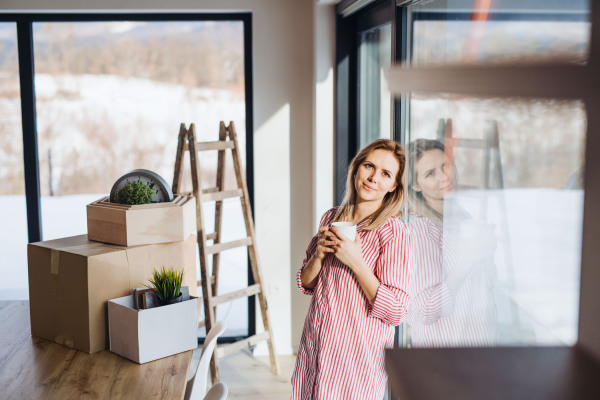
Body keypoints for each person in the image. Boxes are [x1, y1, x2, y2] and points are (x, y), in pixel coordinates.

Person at [291, 139, 410, 400]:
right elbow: (306, 283)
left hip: (354, 363)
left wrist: (355, 261)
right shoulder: (331, 218)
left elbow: (397, 309)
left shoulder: (393, 232)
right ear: (357, 168)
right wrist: (319, 255)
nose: (373, 177)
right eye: (369, 166)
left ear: (393, 186)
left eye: (386, 174)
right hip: (316, 350)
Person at [405, 138, 498, 347]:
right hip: (445, 358)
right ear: (415, 185)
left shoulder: (463, 218)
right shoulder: (419, 232)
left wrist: (487, 254)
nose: (444, 177)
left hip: (481, 349)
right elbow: (424, 310)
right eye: (430, 174)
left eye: (445, 166)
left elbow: (485, 286)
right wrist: (468, 259)